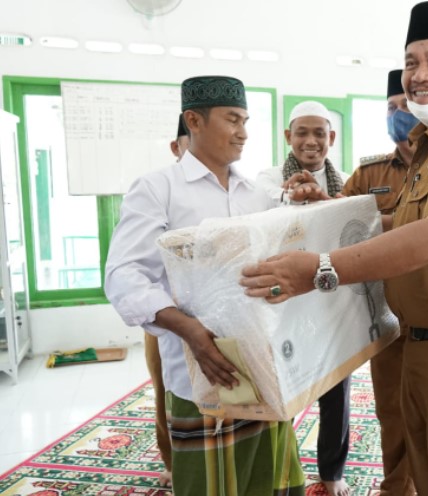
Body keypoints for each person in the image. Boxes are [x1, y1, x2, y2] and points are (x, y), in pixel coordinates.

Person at [240, 3, 428, 494]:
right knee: (425, 477)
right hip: (421, 340)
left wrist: (318, 269)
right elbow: (402, 221)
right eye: (411, 62)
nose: (419, 76)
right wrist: (331, 212)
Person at [105, 76, 306, 496]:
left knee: (267, 480)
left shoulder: (256, 195)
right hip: (200, 374)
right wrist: (191, 332)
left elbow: (285, 256)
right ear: (193, 120)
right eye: (232, 120)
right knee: (209, 485)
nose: (244, 133)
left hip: (262, 367)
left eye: (246, 120)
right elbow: (124, 277)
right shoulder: (158, 189)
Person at [255, 100, 351, 496]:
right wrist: (291, 197)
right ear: (287, 137)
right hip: (284, 304)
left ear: (331, 138)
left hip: (332, 301)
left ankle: (331, 474)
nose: (310, 142)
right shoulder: (267, 179)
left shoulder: (345, 181)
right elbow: (264, 218)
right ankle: (282, 471)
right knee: (284, 390)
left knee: (336, 393)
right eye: (302, 133)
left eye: (319, 134)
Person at [340, 69, 417, 496]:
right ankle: (396, 487)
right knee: (392, 411)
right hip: (388, 317)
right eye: (391, 108)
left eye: (406, 106)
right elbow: (338, 223)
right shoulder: (369, 173)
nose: (398, 115)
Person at [142, 113, 192, 488]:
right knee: (165, 391)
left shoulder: (237, 188)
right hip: (167, 319)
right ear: (177, 147)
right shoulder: (158, 189)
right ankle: (172, 462)